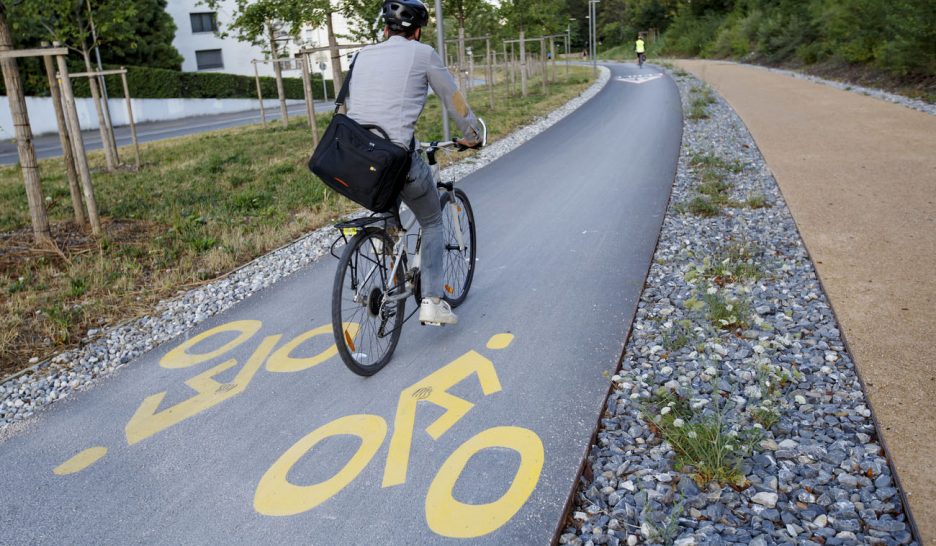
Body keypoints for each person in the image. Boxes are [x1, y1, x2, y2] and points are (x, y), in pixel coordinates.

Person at [346, 0, 482, 326]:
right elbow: (453, 99)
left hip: (356, 158)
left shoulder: (360, 56)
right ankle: (433, 302)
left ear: (384, 29)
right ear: (418, 31)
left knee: (390, 216)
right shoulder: (423, 54)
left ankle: (390, 272)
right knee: (432, 220)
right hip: (396, 159)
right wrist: (473, 134)